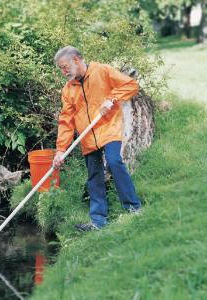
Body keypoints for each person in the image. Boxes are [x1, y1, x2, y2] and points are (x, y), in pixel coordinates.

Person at [53, 46, 142, 232]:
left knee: (114, 161)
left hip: (108, 128)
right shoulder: (68, 90)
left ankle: (133, 208)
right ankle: (98, 221)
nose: (63, 72)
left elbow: (131, 85)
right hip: (87, 137)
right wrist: (61, 150)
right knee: (94, 176)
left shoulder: (101, 71)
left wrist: (112, 99)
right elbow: (66, 121)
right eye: (61, 68)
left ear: (76, 60)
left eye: (64, 67)